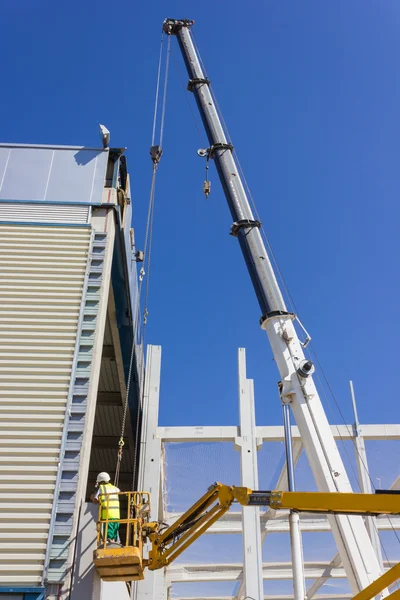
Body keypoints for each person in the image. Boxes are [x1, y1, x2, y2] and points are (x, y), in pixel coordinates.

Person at [91, 472, 120, 544]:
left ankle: (109, 543)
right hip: (116, 516)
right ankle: (114, 542)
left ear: (100, 482)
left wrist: (92, 497)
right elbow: (119, 491)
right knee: (114, 532)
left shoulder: (102, 488)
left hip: (107, 515)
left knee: (108, 535)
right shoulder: (114, 488)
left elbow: (95, 500)